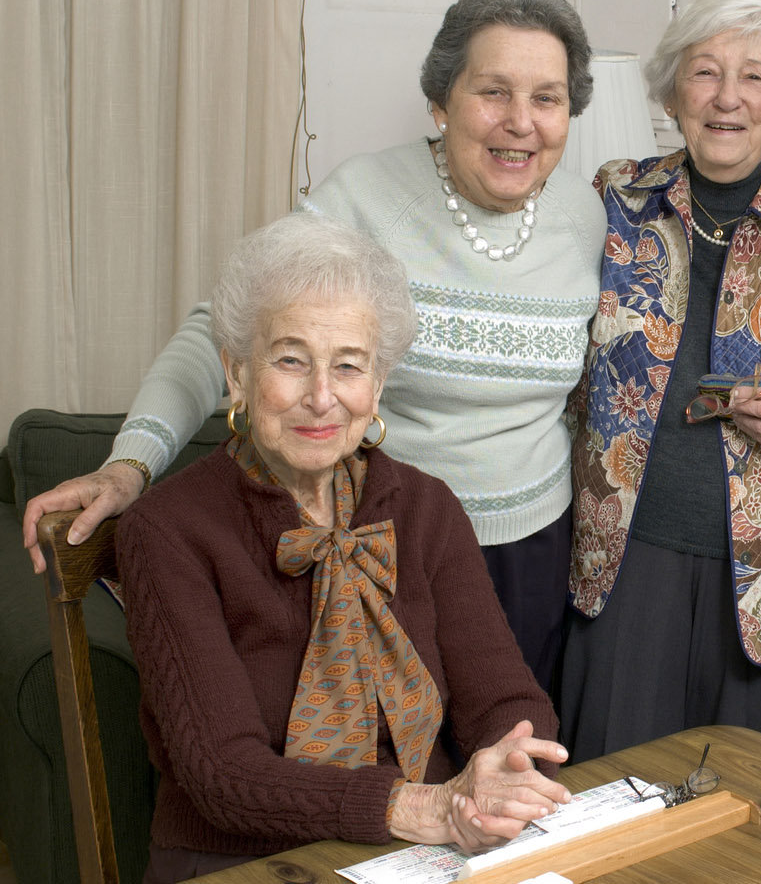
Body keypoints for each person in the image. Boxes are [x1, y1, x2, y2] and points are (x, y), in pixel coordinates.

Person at [22, 0, 607, 692]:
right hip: (385, 540)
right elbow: (222, 327)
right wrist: (129, 464)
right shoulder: (362, 198)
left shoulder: (591, 217)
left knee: (508, 753)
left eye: (546, 98)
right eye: (493, 91)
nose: (520, 121)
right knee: (389, 776)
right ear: (439, 98)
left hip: (537, 553)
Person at [117, 214, 570, 881]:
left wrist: (501, 771)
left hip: (426, 853)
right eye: (291, 359)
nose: (321, 396)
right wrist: (421, 807)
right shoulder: (167, 528)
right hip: (240, 860)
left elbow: (506, 698)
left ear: (377, 384)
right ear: (237, 374)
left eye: (348, 365)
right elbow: (221, 773)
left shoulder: (425, 507)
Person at [559, 0, 761, 761]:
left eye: (754, 77)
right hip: (622, 556)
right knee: (605, 790)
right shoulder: (614, 200)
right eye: (703, 73)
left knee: (731, 805)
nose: (727, 97)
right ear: (671, 95)